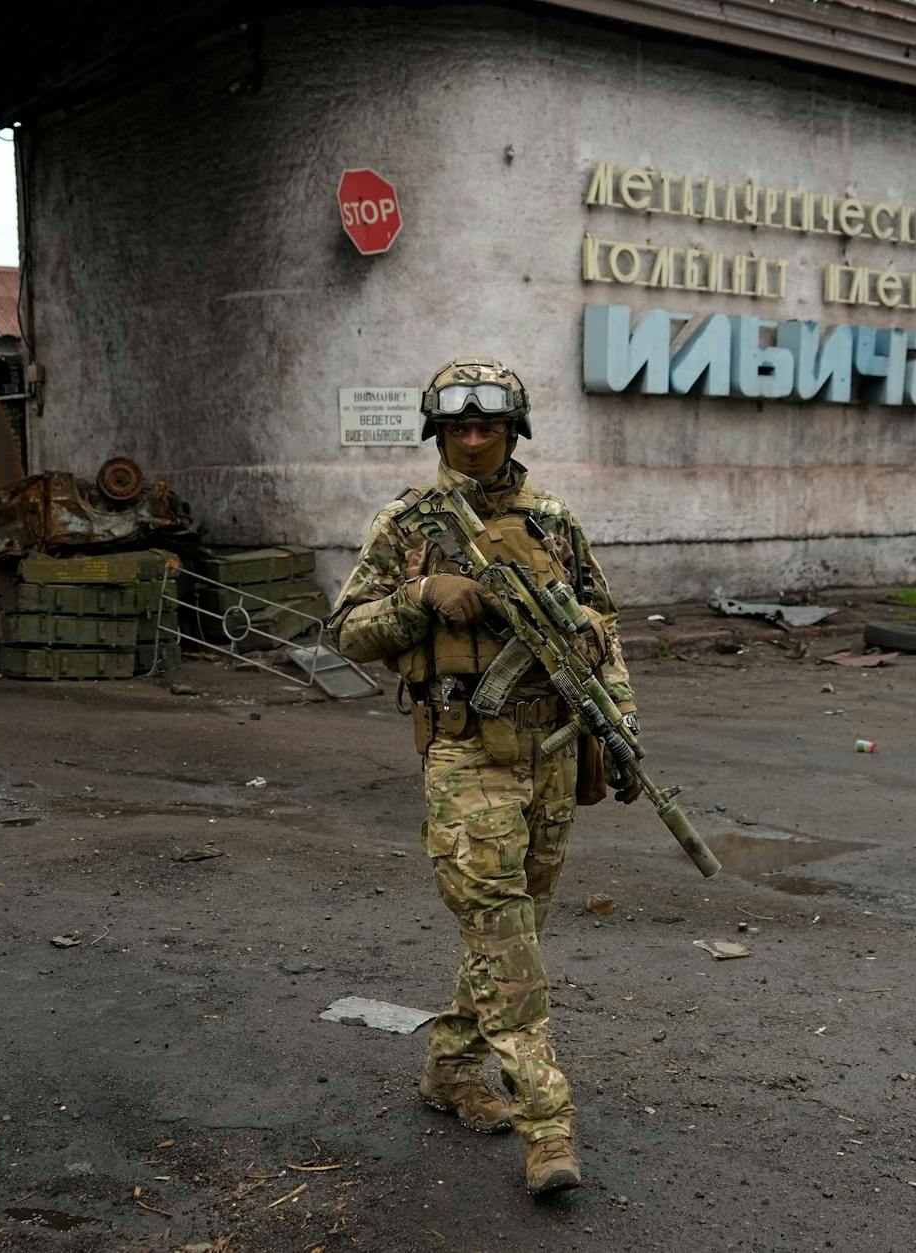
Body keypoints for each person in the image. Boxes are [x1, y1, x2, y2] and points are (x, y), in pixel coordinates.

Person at [328, 356, 638, 1196]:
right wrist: (422, 594)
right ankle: (548, 1122)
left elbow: (600, 629)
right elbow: (346, 630)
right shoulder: (408, 523)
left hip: (551, 751)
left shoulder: (554, 521)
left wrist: (621, 724)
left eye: (488, 425)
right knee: (505, 936)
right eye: (459, 426)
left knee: (515, 927)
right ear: (439, 431)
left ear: (513, 428)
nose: (474, 438)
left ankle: (450, 1069)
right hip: (464, 751)